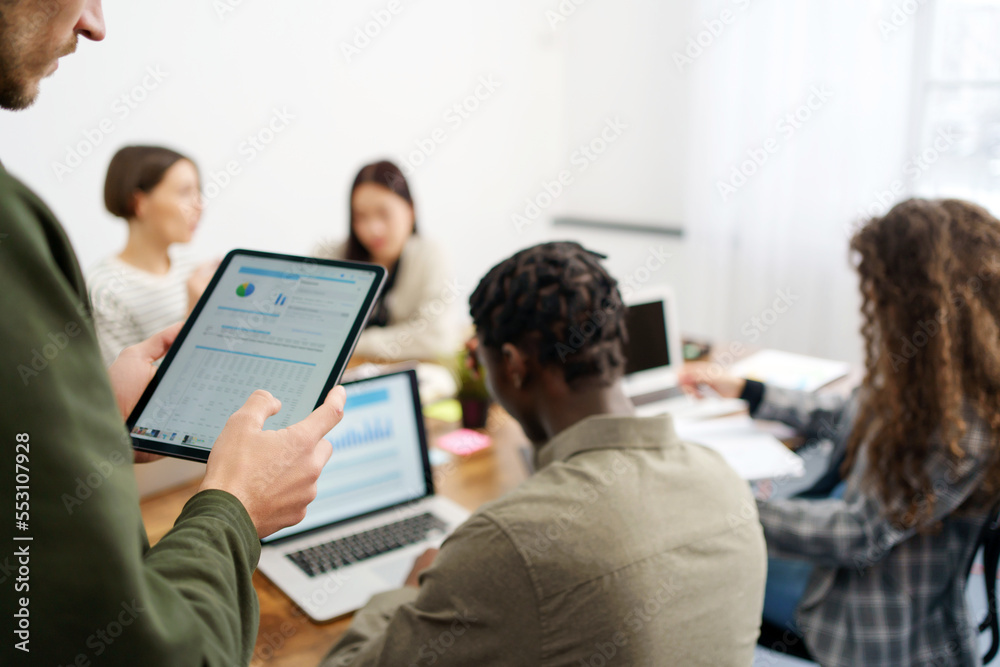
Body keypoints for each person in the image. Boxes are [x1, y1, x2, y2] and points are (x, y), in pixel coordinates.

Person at [0, 2, 344, 665]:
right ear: (139, 198)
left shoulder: (197, 269)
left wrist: (99, 422)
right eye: (183, 191)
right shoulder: (52, 256)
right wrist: (236, 502)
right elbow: (139, 646)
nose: (97, 23)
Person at [319, 242, 767, 666]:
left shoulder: (506, 544)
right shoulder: (724, 480)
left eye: (481, 359)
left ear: (512, 363)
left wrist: (408, 591)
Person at [680, 198, 1000, 667]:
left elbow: (857, 535)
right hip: (853, 559)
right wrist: (748, 390)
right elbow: (849, 413)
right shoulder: (937, 375)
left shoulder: (964, 424)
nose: (872, 306)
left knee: (693, 566)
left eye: (879, 292)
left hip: (869, 611)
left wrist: (727, 508)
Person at [313, 160, 457, 363]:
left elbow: (438, 338)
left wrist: (353, 343)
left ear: (410, 210)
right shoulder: (329, 255)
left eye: (384, 214)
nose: (373, 229)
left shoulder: (430, 254)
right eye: (360, 216)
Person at [88, 145, 219, 366]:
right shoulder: (103, 290)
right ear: (139, 203)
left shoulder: (191, 268)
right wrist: (193, 317)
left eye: (199, 192)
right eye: (185, 192)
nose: (200, 205)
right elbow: (127, 392)